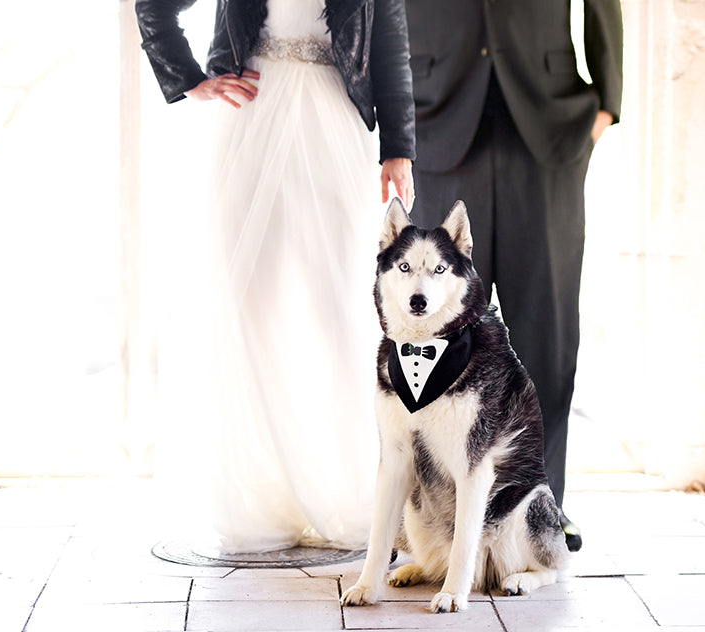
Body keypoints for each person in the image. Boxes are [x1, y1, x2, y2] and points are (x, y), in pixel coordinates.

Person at [134, 0, 415, 552]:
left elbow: (390, 42)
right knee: (249, 314)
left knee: (342, 316)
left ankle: (352, 496)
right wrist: (189, 79)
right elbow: (154, 6)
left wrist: (399, 148)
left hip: (336, 127)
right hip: (250, 121)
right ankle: (257, 503)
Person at [404, 0, 623, 552]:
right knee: (437, 338)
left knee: (546, 335)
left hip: (548, 128)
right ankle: (440, 521)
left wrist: (606, 105)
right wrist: (387, 112)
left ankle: (541, 511)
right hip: (438, 120)